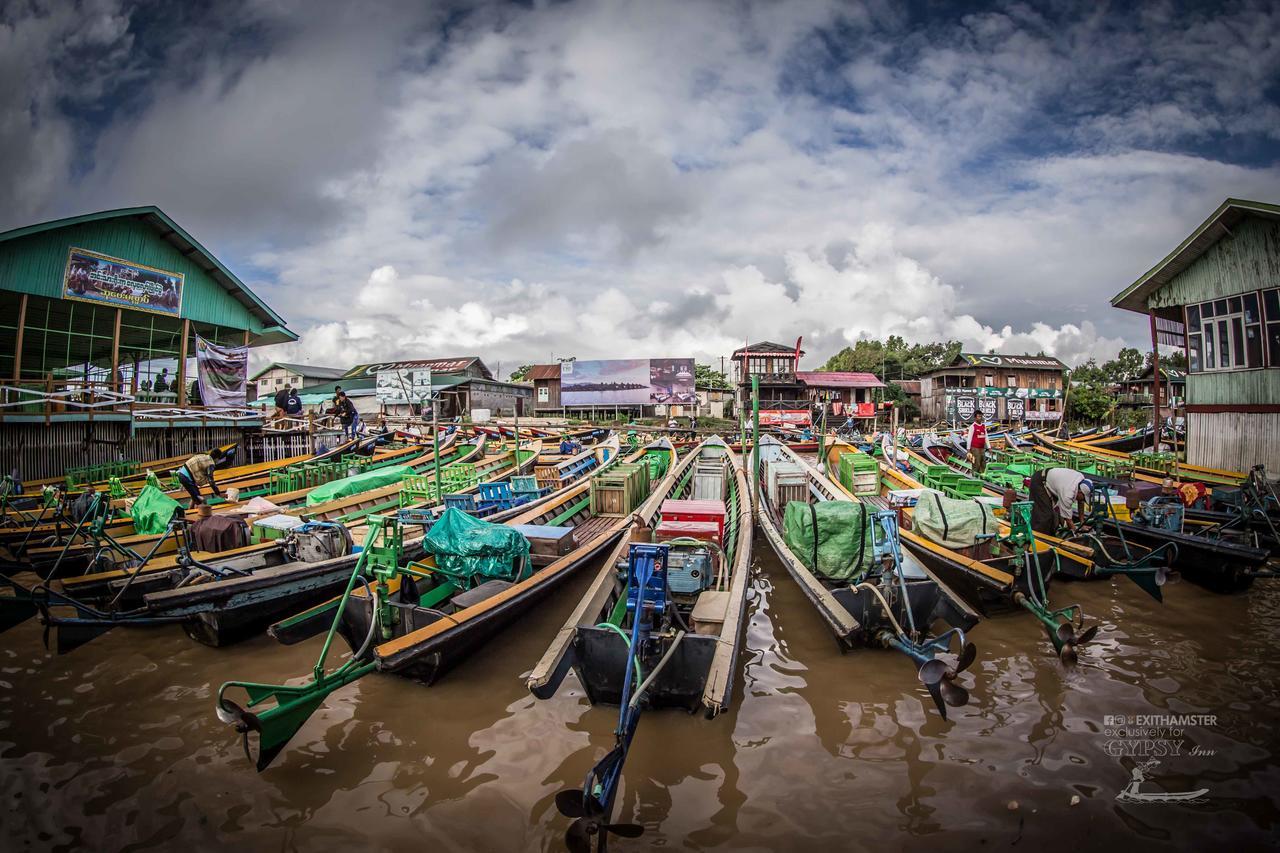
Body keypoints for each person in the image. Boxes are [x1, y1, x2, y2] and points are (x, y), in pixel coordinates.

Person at [1028, 467, 1092, 535]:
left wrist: (1082, 524)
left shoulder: (1081, 480)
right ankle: (1037, 536)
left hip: (1052, 483)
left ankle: (1051, 534)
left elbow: (1081, 502)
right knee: (1045, 515)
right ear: (1079, 492)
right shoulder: (1068, 493)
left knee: (1055, 515)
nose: (1082, 500)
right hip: (1040, 482)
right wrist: (1076, 532)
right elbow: (1068, 520)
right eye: (1083, 498)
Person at [966, 410, 988, 475]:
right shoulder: (972, 426)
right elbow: (969, 439)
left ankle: (983, 476)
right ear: (975, 418)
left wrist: (989, 447)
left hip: (982, 448)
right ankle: (974, 476)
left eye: (981, 416)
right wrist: (968, 450)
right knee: (976, 463)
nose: (980, 418)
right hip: (975, 448)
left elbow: (986, 437)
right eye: (978, 416)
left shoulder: (983, 426)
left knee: (983, 462)